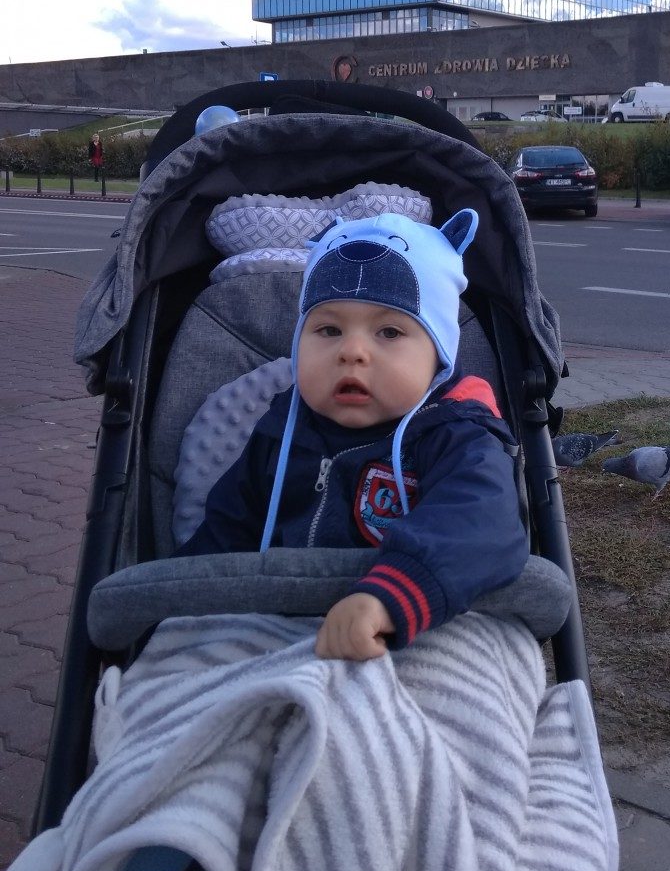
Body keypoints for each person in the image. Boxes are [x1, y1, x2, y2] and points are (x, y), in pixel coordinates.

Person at [178, 209, 528, 661]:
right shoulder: (280, 431)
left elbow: (481, 522)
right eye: (328, 329)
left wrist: (392, 594)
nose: (352, 351)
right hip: (275, 629)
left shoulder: (456, 436)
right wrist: (182, 605)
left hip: (413, 629)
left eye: (389, 331)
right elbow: (226, 534)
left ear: (439, 353)